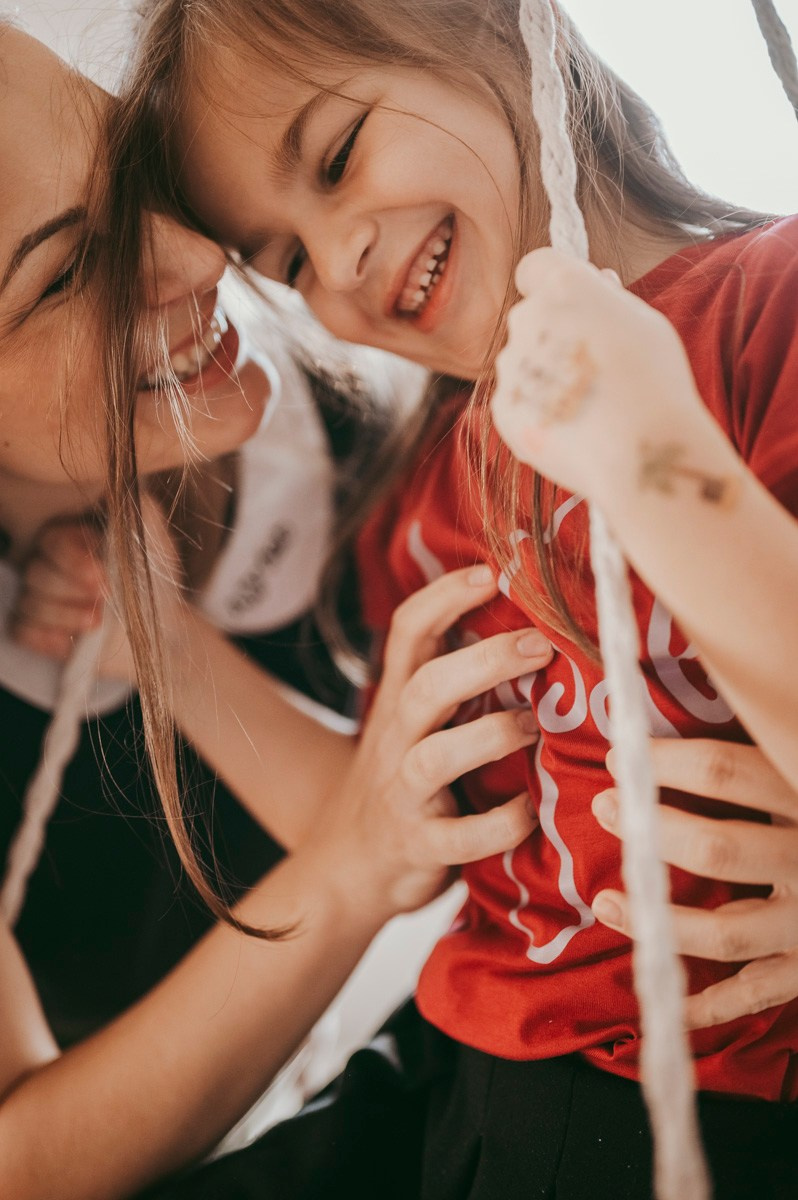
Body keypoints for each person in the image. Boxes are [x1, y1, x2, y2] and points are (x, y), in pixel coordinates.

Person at [89, 0, 798, 1194]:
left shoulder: (768, 311)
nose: (339, 266)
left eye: (338, 156)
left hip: (682, 1098)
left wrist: (651, 450)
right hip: (453, 1059)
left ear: (501, 28)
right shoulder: (426, 496)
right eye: (288, 262)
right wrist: (165, 644)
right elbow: (395, 826)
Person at [0, 24, 552, 1200]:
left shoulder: (390, 407)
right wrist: (353, 865)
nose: (199, 255)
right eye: (63, 273)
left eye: (134, 174)